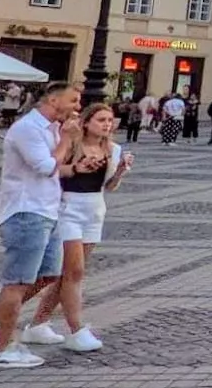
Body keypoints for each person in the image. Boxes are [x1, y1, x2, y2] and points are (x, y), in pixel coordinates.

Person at [0, 81, 82, 369]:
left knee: (48, 275)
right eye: (73, 101)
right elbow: (45, 166)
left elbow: (58, 167)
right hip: (25, 212)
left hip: (47, 210)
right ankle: (3, 348)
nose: (77, 107)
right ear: (54, 101)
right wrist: (67, 141)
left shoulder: (52, 127)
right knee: (17, 282)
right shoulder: (27, 128)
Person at [25, 102, 133, 352]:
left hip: (94, 211)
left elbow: (109, 187)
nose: (107, 124)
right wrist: (76, 167)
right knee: (75, 273)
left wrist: (119, 172)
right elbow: (50, 173)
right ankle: (77, 330)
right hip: (67, 210)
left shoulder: (113, 149)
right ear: (86, 122)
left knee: (64, 276)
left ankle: (38, 324)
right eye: (101, 120)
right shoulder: (71, 146)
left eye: (110, 120)